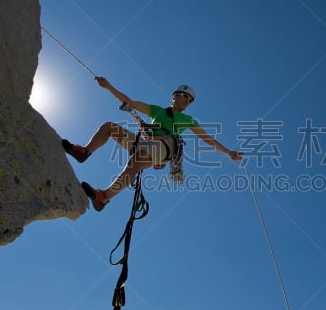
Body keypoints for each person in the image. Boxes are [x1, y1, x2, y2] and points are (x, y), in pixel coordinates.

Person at [62, 76, 243, 211]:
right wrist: (109, 86)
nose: (187, 101)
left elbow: (207, 138)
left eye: (190, 100)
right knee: (110, 127)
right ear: (175, 96)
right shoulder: (157, 110)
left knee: (136, 161)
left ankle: (104, 196)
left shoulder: (188, 119)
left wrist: (228, 152)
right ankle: (85, 152)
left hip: (165, 146)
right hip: (146, 143)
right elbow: (130, 102)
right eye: (185, 97)